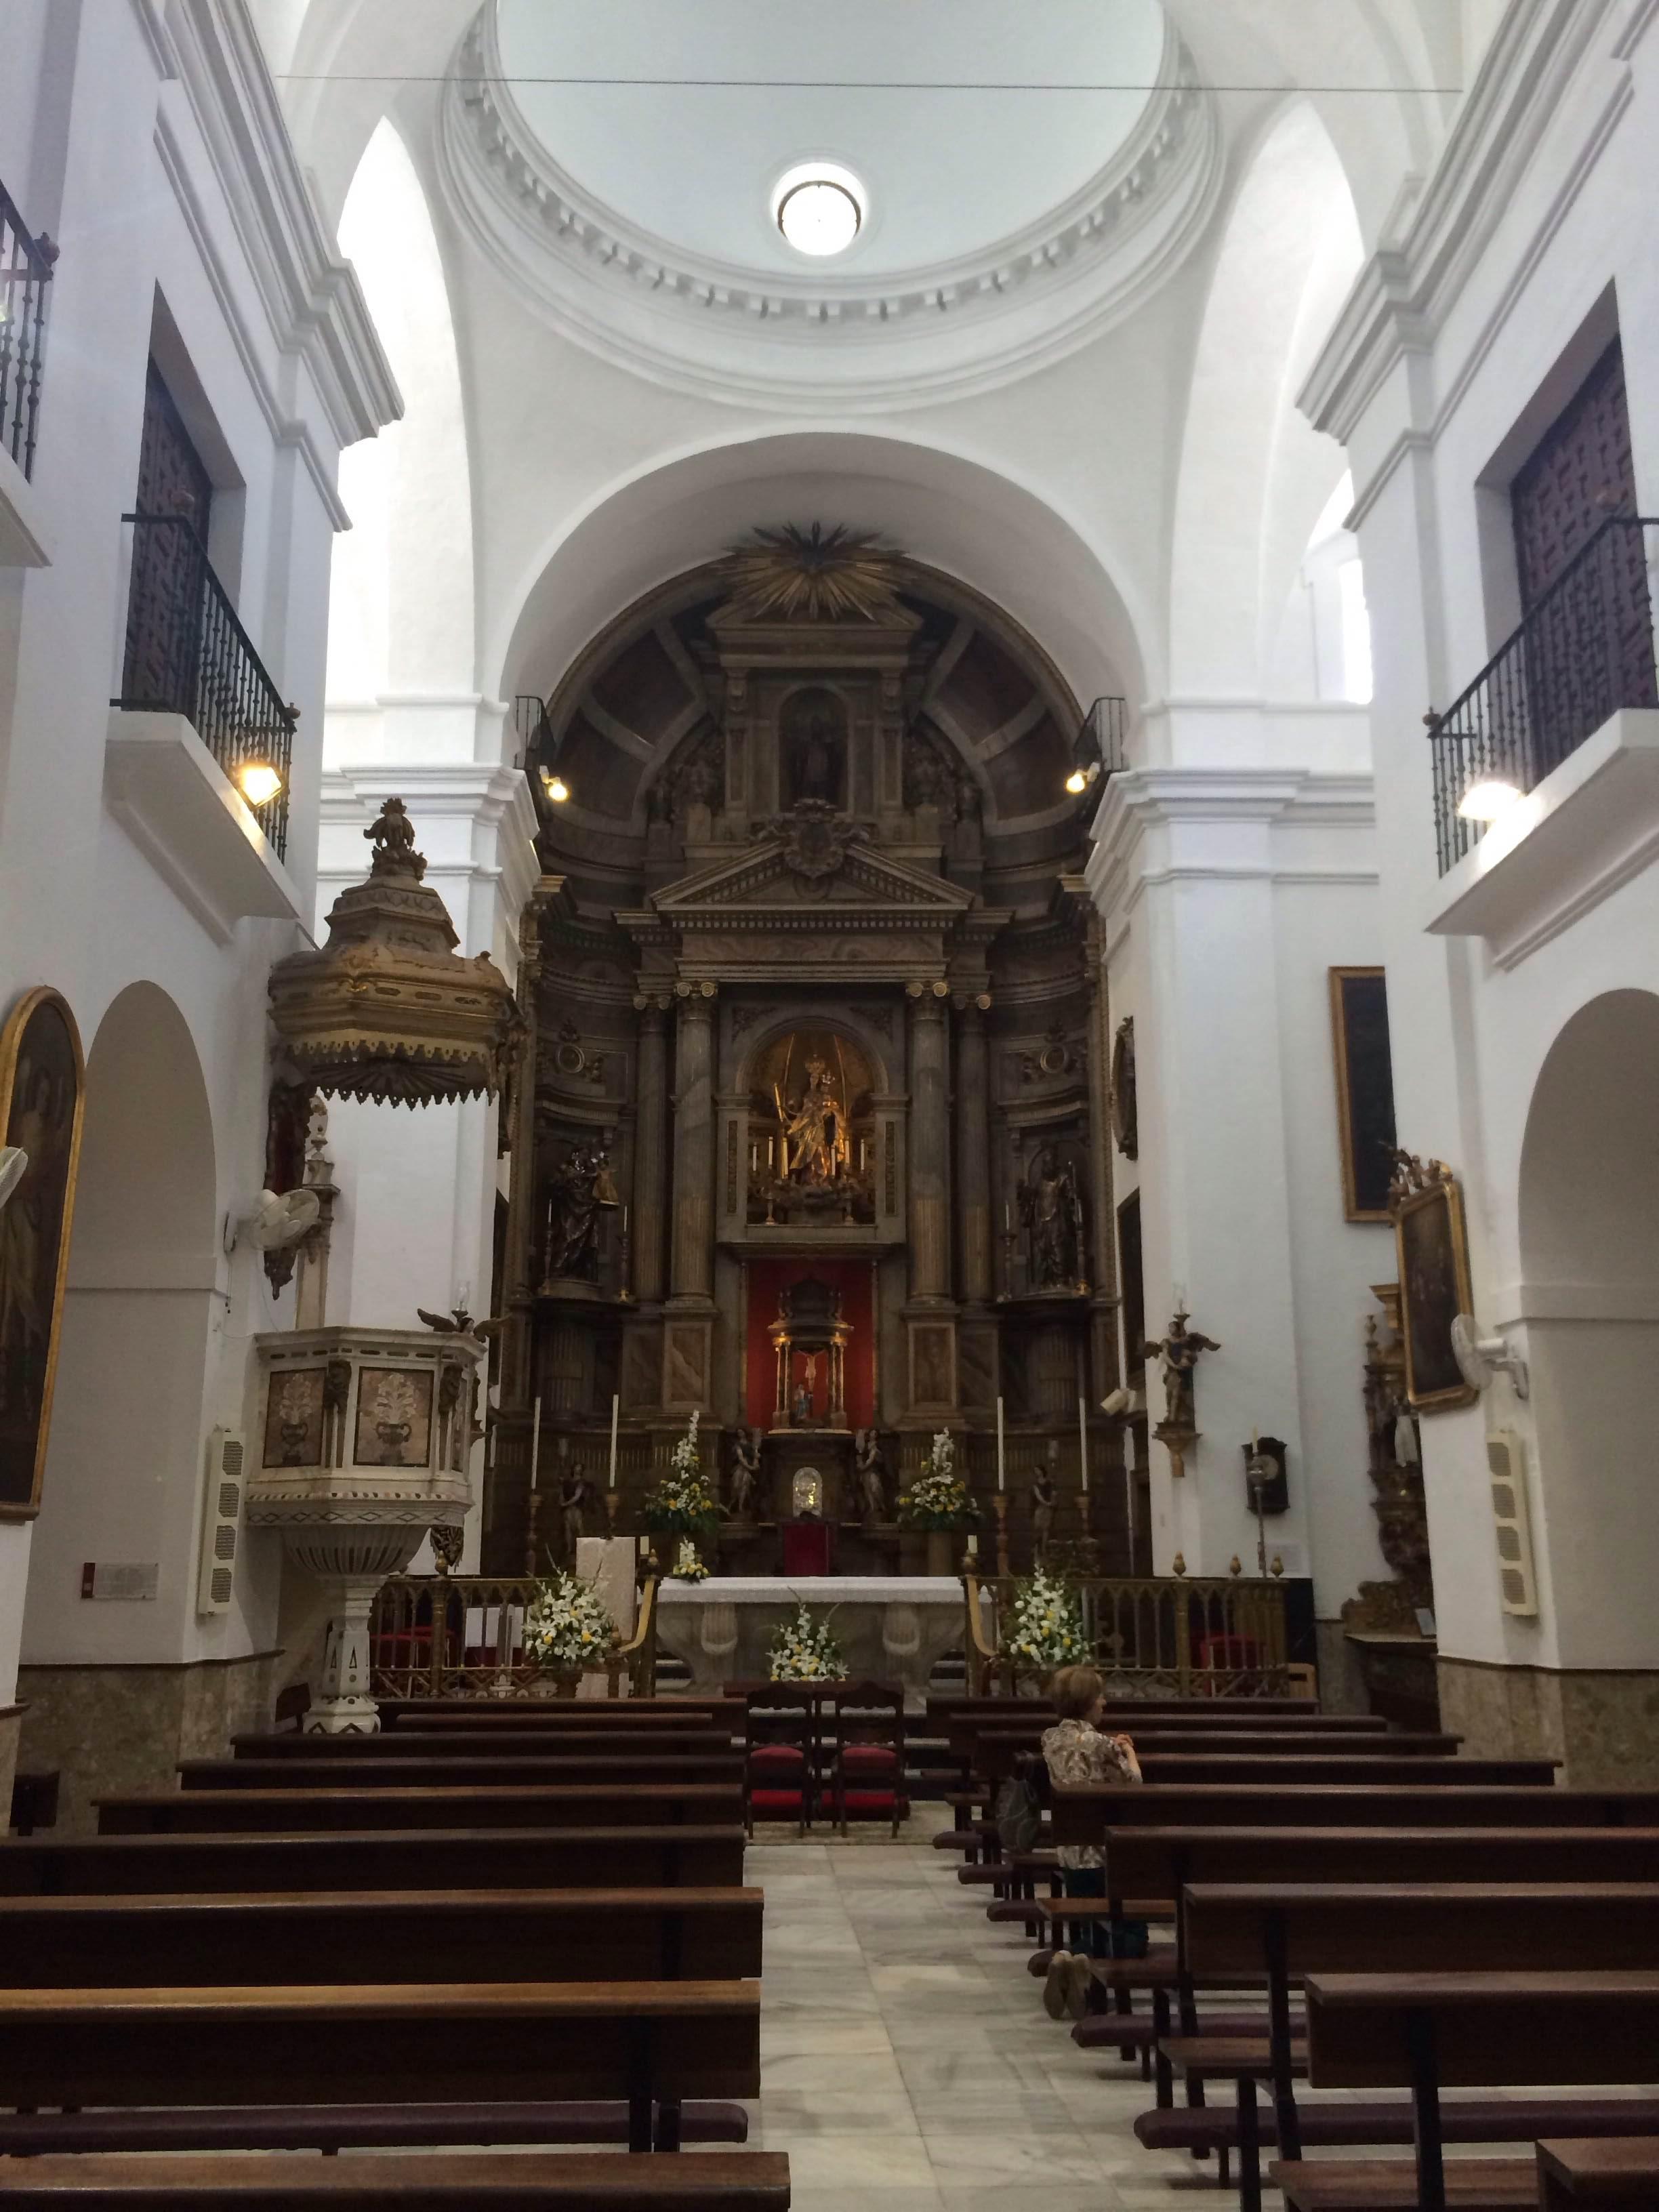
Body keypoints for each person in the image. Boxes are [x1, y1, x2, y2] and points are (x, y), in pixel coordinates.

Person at [1039, 1663, 1144, 2021]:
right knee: (1132, 1931)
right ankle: (1080, 1965)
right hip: (1103, 1852)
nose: (1105, 1702)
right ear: (1086, 1701)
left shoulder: (1049, 1739)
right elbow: (1134, 1784)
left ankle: (1070, 1960)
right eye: (1099, 1695)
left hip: (1069, 1852)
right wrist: (1128, 1750)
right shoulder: (1099, 1743)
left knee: (1086, 1916)